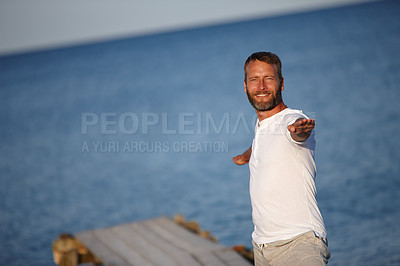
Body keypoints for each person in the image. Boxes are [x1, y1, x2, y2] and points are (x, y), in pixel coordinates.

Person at [233, 52, 330, 265]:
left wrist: (300, 131)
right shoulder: (262, 126)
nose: (261, 86)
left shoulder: (292, 120)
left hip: (299, 244)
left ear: (281, 83)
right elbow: (265, 142)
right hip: (262, 247)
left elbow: (295, 132)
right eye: (254, 80)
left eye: (269, 78)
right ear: (245, 86)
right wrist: (246, 156)